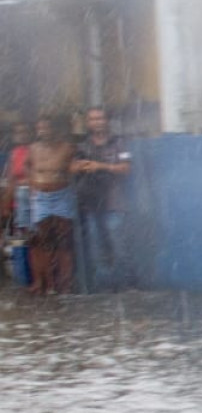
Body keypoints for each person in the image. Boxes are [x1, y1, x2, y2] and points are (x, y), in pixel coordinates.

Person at [72, 107, 132, 293]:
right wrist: (81, 166)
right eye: (92, 119)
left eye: (100, 118)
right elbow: (72, 169)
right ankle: (104, 287)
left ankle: (123, 285)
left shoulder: (118, 143)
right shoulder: (82, 146)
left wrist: (101, 166)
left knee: (118, 244)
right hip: (91, 203)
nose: (97, 122)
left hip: (114, 202)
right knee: (96, 247)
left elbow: (126, 169)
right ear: (88, 123)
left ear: (107, 121)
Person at [26, 117, 76, 296]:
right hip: (41, 198)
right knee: (44, 242)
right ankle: (48, 284)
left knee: (64, 242)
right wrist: (32, 187)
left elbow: (73, 170)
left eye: (46, 128)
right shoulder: (32, 149)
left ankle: (66, 285)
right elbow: (29, 168)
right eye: (40, 129)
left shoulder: (67, 148)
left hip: (61, 196)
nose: (43, 132)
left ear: (54, 129)